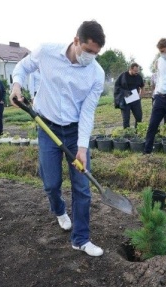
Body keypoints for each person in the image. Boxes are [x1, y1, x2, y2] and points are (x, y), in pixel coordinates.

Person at [9, 20, 106, 257]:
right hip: (47, 126)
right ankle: (60, 210)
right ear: (76, 41)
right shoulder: (46, 51)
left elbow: (87, 112)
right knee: (51, 183)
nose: (91, 57)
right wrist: (16, 85)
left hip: (74, 132)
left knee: (82, 187)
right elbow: (21, 68)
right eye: (88, 50)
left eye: (96, 53)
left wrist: (83, 147)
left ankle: (81, 239)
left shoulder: (96, 74)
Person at [114, 63, 144, 128]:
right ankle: (127, 134)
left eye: (137, 71)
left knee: (139, 117)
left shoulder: (139, 77)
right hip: (125, 100)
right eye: (135, 71)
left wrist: (140, 95)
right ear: (130, 69)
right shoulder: (123, 76)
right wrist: (124, 92)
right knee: (126, 119)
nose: (137, 72)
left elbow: (142, 86)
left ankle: (137, 132)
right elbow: (116, 86)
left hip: (135, 99)